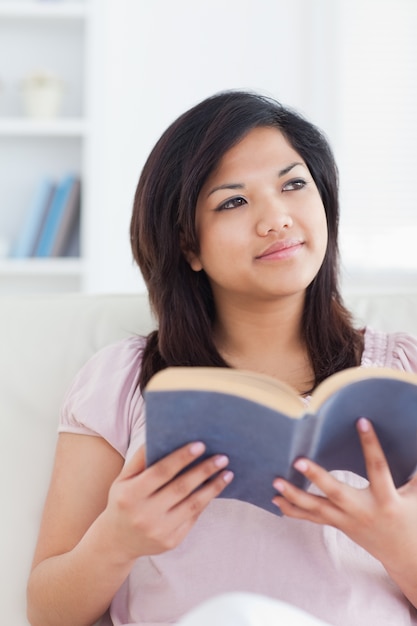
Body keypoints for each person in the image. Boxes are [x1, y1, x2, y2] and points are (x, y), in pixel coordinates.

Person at [27, 90, 417, 626]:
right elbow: (47, 612)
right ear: (188, 245)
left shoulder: (403, 372)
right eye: (233, 201)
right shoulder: (122, 381)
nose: (276, 218)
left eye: (294, 184)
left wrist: (396, 541)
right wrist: (114, 543)